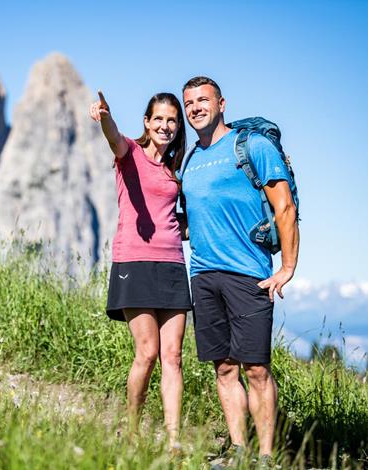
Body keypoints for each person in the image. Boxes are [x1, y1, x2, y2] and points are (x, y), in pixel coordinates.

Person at [180, 76, 299, 464]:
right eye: (189, 103)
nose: (196, 107)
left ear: (222, 103)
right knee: (224, 367)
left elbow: (284, 207)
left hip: (249, 274)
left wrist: (288, 266)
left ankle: (266, 457)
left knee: (257, 369)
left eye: (203, 100)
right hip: (203, 275)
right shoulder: (191, 159)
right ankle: (239, 450)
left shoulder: (253, 146)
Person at [89, 91, 192, 448]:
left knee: (173, 356)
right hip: (133, 261)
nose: (165, 126)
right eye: (159, 119)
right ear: (147, 122)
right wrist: (104, 117)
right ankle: (132, 432)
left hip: (173, 265)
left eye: (172, 121)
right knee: (147, 353)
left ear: (178, 128)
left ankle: (174, 440)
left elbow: (175, 218)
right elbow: (113, 136)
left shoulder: (174, 170)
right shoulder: (129, 152)